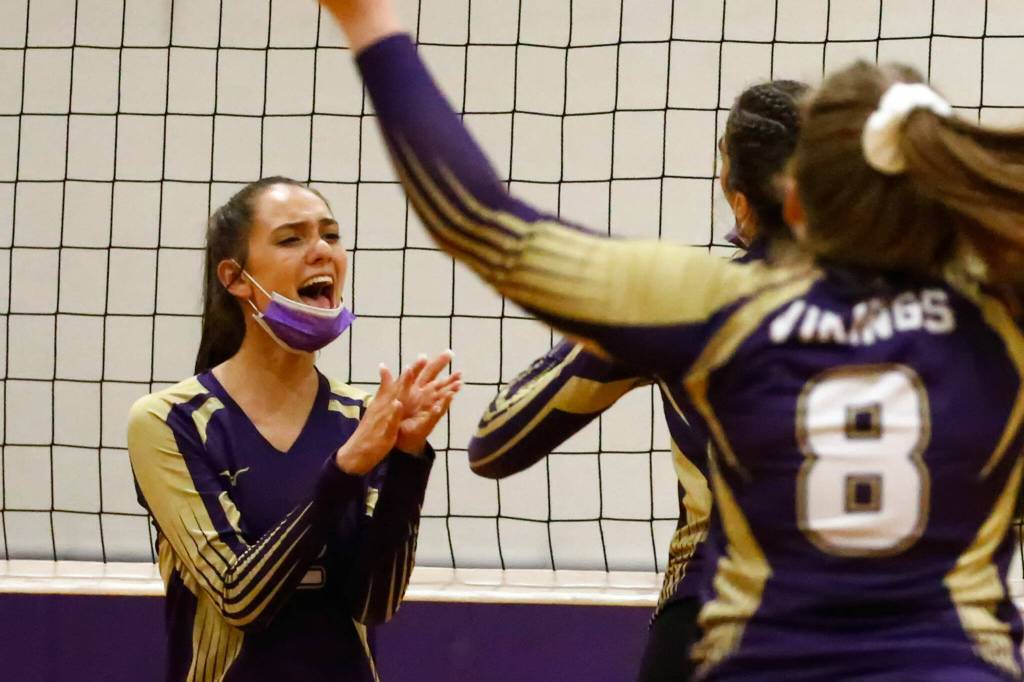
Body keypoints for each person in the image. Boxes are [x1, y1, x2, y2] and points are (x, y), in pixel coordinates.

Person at [321, 2, 1024, 679]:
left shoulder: (716, 307)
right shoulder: (1000, 312)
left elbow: (480, 220)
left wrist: (368, 20)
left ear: (794, 205)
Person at [467, 80, 807, 682]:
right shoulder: (930, 313)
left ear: (736, 194)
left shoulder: (682, 305)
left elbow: (495, 442)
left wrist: (610, 319)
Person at [127, 176, 461, 682]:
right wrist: (346, 469)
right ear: (236, 277)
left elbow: (374, 601)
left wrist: (408, 460)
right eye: (292, 238)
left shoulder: (361, 416)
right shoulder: (169, 421)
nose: (322, 251)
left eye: (331, 235)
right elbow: (241, 599)